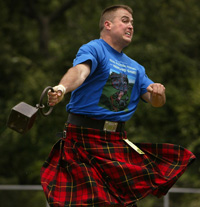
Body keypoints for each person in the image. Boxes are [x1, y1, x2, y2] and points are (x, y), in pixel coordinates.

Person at [41, 5, 196, 207]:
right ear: (108, 24)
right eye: (125, 20)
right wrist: (61, 88)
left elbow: (155, 101)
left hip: (115, 142)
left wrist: (158, 93)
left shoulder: (136, 67)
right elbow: (80, 72)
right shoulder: (94, 49)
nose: (130, 25)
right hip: (82, 140)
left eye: (132, 22)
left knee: (123, 204)